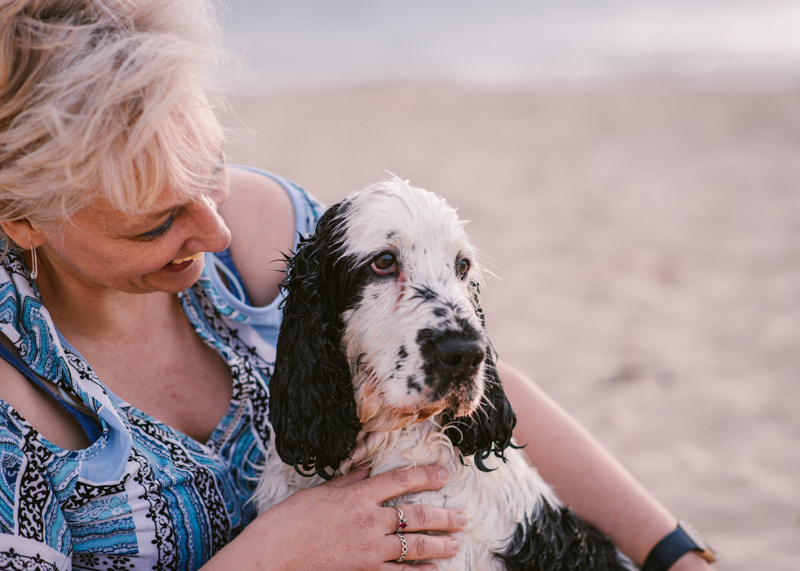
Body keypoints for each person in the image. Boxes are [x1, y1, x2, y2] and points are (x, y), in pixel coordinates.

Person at [0, 1, 716, 569]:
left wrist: (675, 554)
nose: (217, 232)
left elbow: (477, 379)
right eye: (155, 223)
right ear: (24, 219)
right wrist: (275, 556)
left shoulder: (266, 222)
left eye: (210, 169)